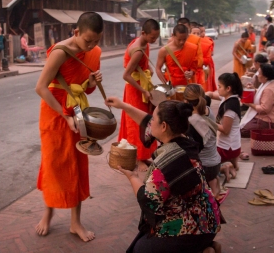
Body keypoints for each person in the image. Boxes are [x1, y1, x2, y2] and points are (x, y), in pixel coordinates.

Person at [104, 97, 222, 253]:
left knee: (139, 249)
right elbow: (146, 121)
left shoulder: (166, 163)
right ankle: (205, 248)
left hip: (193, 229)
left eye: (154, 118)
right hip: (210, 219)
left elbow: (149, 200)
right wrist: (124, 105)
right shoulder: (187, 138)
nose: (150, 122)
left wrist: (132, 176)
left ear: (164, 126)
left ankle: (201, 249)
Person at [35, 12, 104, 242]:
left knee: (77, 164)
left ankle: (76, 222)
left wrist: (92, 83)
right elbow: (41, 88)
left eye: (96, 41)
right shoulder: (60, 52)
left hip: (77, 114)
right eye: (87, 41)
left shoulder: (94, 52)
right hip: (55, 115)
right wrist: (64, 116)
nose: (92, 45)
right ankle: (48, 212)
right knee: (53, 164)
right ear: (76, 32)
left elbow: (85, 89)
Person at [118, 19, 160, 172]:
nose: (154, 40)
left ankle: (144, 155)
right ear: (143, 33)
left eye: (156, 37)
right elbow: (126, 75)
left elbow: (141, 64)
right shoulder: (137, 50)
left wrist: (148, 67)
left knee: (146, 121)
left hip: (142, 85)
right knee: (137, 122)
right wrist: (143, 91)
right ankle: (137, 158)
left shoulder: (144, 44)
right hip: (135, 90)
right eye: (152, 37)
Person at [184, 84, 222, 199]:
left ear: (186, 101)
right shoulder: (208, 110)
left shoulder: (191, 120)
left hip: (205, 167)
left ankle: (211, 195)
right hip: (216, 162)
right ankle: (215, 186)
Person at [206, 72, 243, 172]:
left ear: (228, 89)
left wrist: (209, 122)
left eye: (219, 86)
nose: (217, 88)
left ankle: (224, 168)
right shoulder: (231, 97)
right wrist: (206, 95)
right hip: (234, 146)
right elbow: (212, 94)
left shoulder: (229, 109)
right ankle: (233, 163)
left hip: (228, 148)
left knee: (205, 161)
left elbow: (225, 130)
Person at [240, 63, 274, 138]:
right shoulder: (268, 83)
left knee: (242, 131)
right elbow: (263, 94)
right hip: (263, 117)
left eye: (259, 73)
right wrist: (254, 89)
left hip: (269, 120)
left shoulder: (269, 89)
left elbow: (264, 109)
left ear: (266, 77)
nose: (257, 75)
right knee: (239, 126)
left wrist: (249, 104)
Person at [178, 18, 204, 85]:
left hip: (190, 74)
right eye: (180, 28)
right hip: (176, 75)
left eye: (185, 27)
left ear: (189, 27)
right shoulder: (172, 40)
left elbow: (199, 60)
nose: (182, 30)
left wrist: (191, 70)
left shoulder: (195, 39)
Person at [199, 24, 217, 91]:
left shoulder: (209, 40)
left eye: (204, 31)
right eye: (201, 32)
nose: (203, 33)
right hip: (198, 65)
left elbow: (211, 53)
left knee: (207, 82)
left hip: (207, 64)